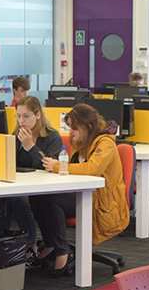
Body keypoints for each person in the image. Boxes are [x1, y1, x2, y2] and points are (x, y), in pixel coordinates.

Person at [32, 103, 128, 273]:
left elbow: (92, 168)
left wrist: (58, 166)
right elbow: (75, 169)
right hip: (85, 194)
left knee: (53, 201)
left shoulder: (105, 143)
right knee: (39, 197)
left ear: (88, 126)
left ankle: (62, 251)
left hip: (102, 202)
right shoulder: (83, 142)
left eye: (75, 128)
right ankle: (52, 245)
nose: (71, 132)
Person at [0, 95, 64, 245]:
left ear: (38, 114)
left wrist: (30, 147)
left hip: (45, 188)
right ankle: (0, 243)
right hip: (20, 184)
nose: (21, 121)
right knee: (5, 198)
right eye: (18, 116)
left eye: (26, 116)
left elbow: (48, 166)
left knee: (18, 200)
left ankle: (30, 243)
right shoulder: (17, 134)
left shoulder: (52, 137)